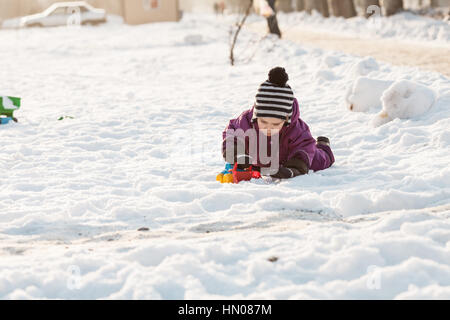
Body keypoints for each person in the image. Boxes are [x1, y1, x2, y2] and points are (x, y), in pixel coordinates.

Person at [222, 67, 335, 180]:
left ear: (286, 120)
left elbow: (304, 147)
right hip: (255, 160)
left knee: (318, 160)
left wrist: (292, 169)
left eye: (275, 124)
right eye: (264, 122)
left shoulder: (297, 129)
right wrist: (236, 154)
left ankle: (324, 147)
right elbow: (232, 134)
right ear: (256, 115)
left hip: (287, 160)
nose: (269, 128)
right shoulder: (245, 121)